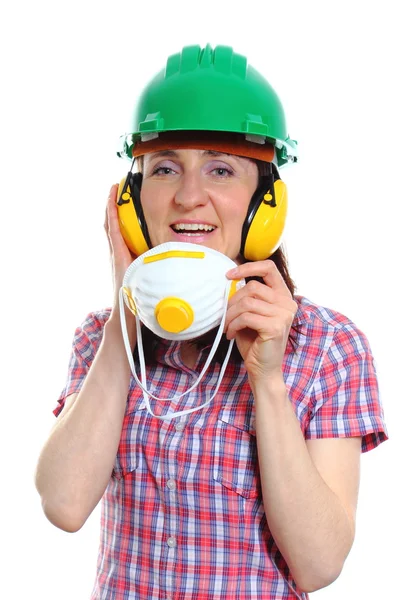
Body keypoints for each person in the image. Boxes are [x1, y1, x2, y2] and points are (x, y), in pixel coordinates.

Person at [35, 44, 388, 599]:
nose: (188, 196)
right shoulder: (100, 338)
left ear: (263, 206)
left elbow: (319, 565)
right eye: (165, 168)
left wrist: (267, 380)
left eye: (220, 169)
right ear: (131, 201)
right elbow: (63, 505)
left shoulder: (329, 347)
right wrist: (126, 316)